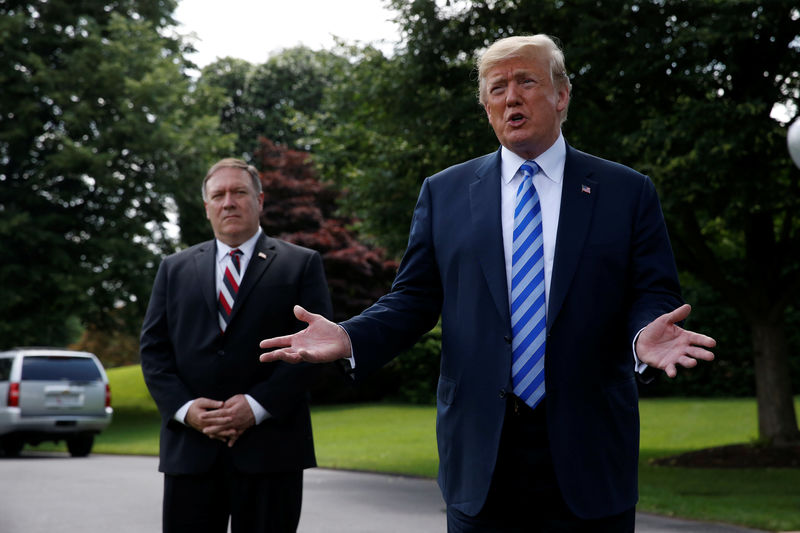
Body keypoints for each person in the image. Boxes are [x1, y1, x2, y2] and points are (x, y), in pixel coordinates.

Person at [259, 35, 715, 532]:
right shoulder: (445, 192)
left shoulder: (626, 191)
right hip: (480, 453)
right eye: (496, 88)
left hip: (590, 450)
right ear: (486, 106)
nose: (511, 97)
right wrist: (352, 336)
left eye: (526, 82)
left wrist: (641, 333)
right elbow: (413, 299)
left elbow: (653, 292)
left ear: (562, 95)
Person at [140, 158, 332, 533]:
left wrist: (257, 407)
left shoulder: (301, 264)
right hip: (191, 453)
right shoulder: (173, 269)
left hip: (272, 452)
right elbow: (153, 351)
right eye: (219, 195)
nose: (228, 202)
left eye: (239, 192)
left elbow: (314, 350)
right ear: (207, 207)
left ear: (259, 200)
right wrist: (186, 409)